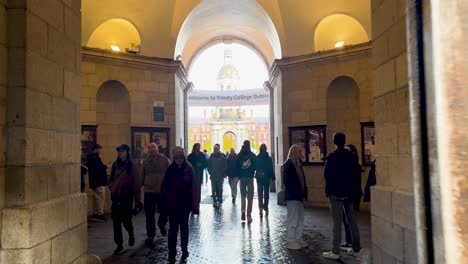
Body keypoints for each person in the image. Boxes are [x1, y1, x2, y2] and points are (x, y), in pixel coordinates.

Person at [322, 133, 361, 260]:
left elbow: (327, 176)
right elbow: (356, 174)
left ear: (334, 142)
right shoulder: (351, 156)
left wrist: (328, 191)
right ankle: (356, 248)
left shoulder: (331, 157)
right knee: (352, 221)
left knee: (337, 222)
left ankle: (335, 251)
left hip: (335, 193)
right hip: (349, 194)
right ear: (344, 141)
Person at [160, 147, 199, 264]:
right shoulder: (170, 170)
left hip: (185, 204)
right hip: (172, 204)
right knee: (173, 229)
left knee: (184, 228)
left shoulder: (189, 169)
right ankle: (172, 252)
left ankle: (184, 249)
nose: (179, 160)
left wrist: (195, 206)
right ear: (174, 158)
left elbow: (194, 187)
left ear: (183, 158)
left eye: (181, 157)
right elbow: (165, 188)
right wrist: (164, 205)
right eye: (177, 158)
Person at [108, 144, 142, 256]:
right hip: (116, 196)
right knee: (116, 222)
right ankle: (119, 245)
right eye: (119, 151)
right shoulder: (115, 164)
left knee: (126, 220)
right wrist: (112, 186)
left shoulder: (132, 166)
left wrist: (137, 201)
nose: (120, 153)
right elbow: (111, 178)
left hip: (126, 197)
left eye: (122, 151)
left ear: (127, 152)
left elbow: (137, 183)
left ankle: (131, 233)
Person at [142, 143, 171, 246]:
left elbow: (170, 173)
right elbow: (141, 175)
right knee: (149, 214)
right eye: (149, 148)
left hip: (162, 191)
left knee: (164, 211)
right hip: (149, 191)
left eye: (153, 147)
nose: (151, 149)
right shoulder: (145, 162)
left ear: (157, 149)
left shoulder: (165, 160)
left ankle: (162, 224)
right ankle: (150, 234)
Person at [283, 144, 308, 250]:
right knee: (293, 219)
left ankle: (298, 238)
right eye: (299, 152)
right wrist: (296, 193)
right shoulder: (288, 165)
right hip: (293, 196)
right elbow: (287, 182)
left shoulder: (298, 164)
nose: (301, 154)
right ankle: (290, 240)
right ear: (294, 152)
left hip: (299, 196)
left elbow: (302, 180)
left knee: (300, 218)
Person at [340, 144, 363, 250]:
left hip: (351, 196)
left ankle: (354, 245)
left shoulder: (354, 166)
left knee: (351, 220)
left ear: (353, 153)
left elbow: (353, 183)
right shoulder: (350, 164)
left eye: (347, 150)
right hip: (349, 195)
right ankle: (349, 241)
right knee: (346, 219)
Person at [87, 144, 109, 221]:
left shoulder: (92, 157)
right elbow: (97, 169)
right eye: (99, 150)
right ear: (96, 149)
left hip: (96, 181)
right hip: (98, 181)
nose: (100, 151)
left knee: (98, 198)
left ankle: (97, 212)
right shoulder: (94, 158)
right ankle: (99, 213)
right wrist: (105, 166)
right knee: (100, 198)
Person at [236, 140, 256, 223]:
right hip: (250, 177)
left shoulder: (239, 155)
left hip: (242, 177)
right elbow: (255, 165)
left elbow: (236, 165)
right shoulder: (252, 155)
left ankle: (243, 210)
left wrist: (239, 174)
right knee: (250, 197)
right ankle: (249, 215)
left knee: (243, 196)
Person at [255, 144, 275, 217]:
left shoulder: (257, 158)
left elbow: (255, 167)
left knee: (260, 194)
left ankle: (260, 208)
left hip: (259, 178)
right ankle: (265, 207)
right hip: (266, 178)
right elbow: (270, 168)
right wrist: (272, 176)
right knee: (266, 194)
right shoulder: (269, 158)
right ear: (266, 149)